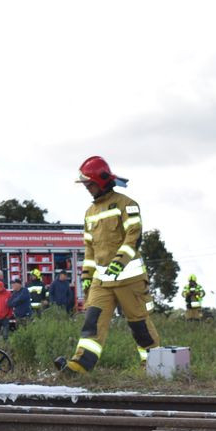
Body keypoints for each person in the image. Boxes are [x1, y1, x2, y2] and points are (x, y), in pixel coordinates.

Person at [54, 156, 160, 374]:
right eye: (85, 185)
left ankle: (154, 366)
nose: (87, 189)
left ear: (102, 181)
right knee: (92, 321)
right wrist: (87, 273)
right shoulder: (90, 213)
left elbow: (134, 237)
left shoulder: (127, 204)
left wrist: (118, 263)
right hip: (102, 281)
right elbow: (90, 247)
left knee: (138, 324)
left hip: (128, 278)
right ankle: (80, 364)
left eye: (89, 184)